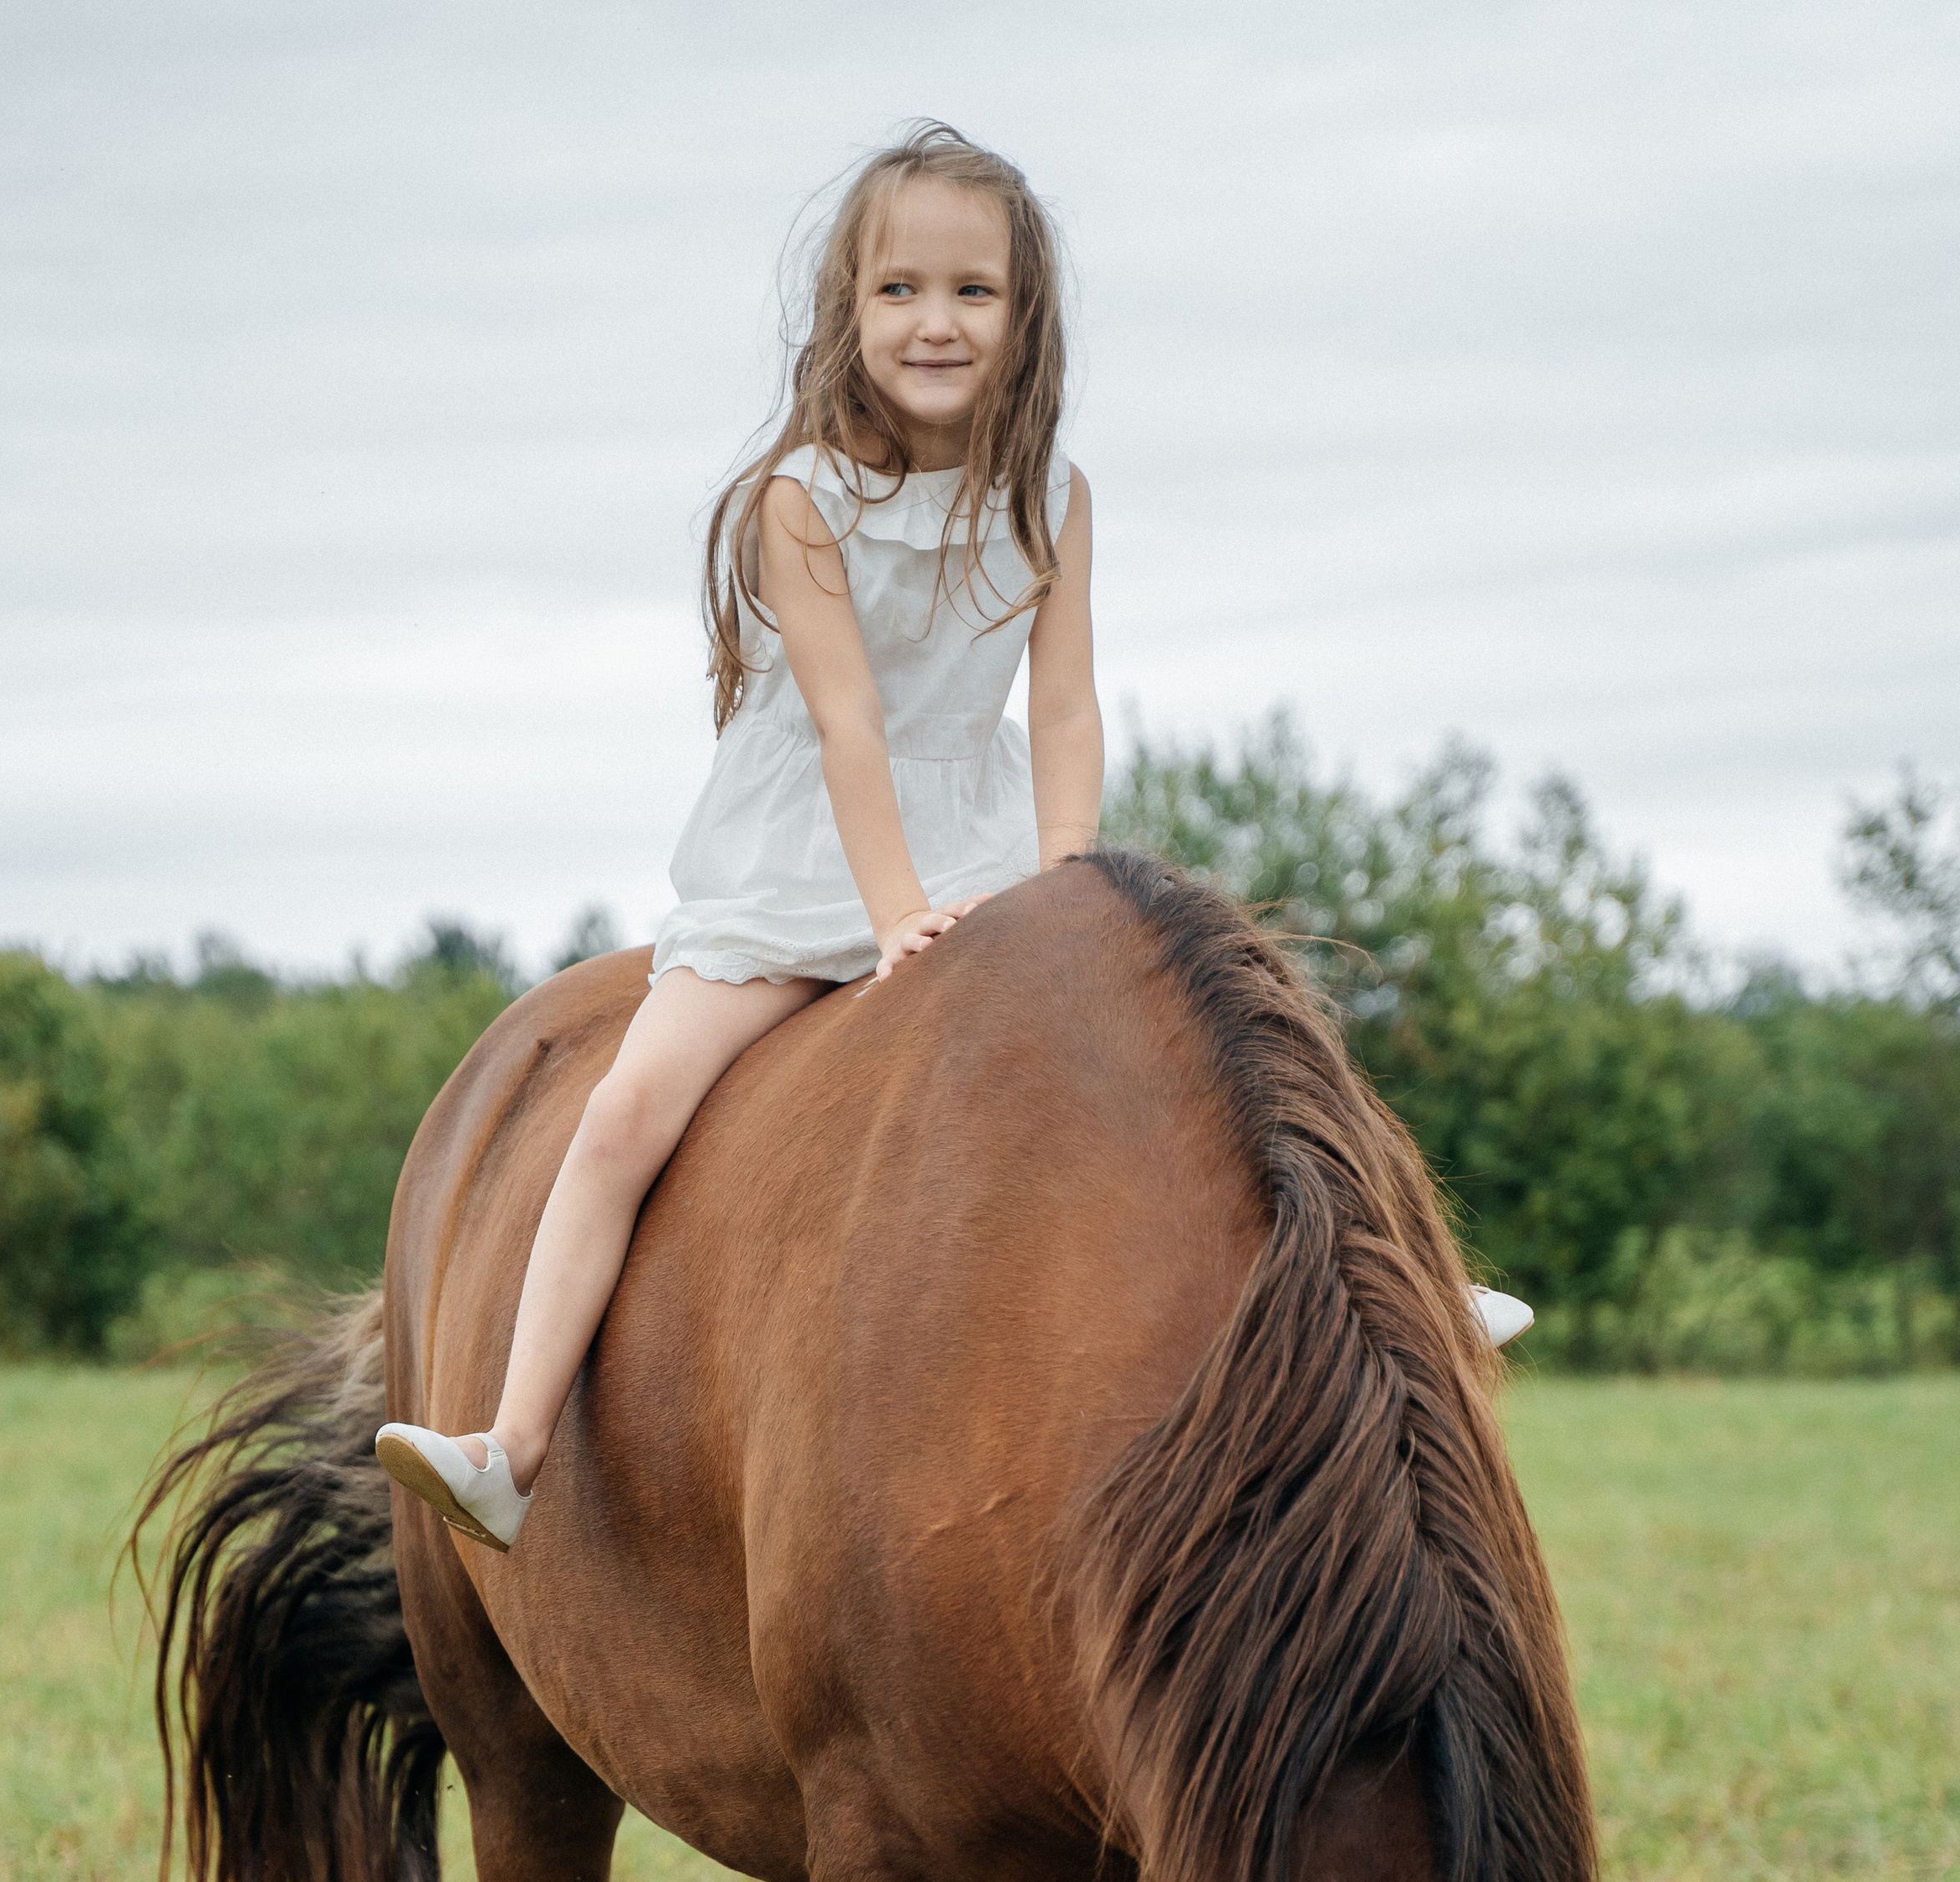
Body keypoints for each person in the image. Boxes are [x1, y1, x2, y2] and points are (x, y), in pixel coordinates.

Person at [376, 124, 1527, 1555]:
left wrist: (1068, 884)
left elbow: (1065, 705)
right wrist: (895, 915)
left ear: (1024, 317)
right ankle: (513, 1442)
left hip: (981, 841)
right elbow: (851, 726)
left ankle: (1401, 1286)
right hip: (803, 861)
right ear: (848, 313)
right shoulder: (802, 501)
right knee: (621, 1118)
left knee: (1208, 1038)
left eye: (974, 291)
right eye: (901, 290)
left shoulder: (1054, 497)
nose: (937, 322)